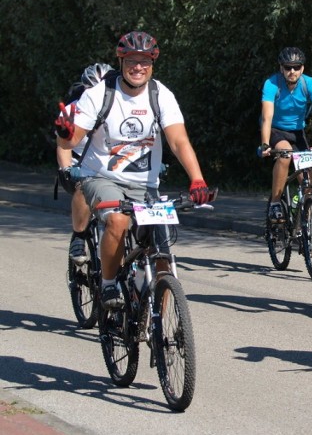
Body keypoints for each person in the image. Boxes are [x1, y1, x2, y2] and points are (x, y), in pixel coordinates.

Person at [55, 30, 213, 309]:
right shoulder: (99, 94)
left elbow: (178, 140)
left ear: (152, 64)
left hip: (145, 185)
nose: (137, 67)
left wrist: (197, 180)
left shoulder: (160, 94)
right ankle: (107, 284)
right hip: (101, 177)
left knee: (161, 256)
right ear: (121, 62)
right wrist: (66, 133)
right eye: (131, 61)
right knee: (117, 220)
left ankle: (158, 332)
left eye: (144, 61)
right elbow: (72, 140)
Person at [56, 63, 115, 264]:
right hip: (80, 165)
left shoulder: (121, 107)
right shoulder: (73, 111)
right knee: (84, 184)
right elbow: (63, 146)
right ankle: (79, 237)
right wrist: (67, 169)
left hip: (114, 168)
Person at [260, 47, 312, 222]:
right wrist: (265, 143)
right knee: (285, 155)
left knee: (308, 173)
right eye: (288, 67)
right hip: (276, 130)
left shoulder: (310, 84)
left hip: (297, 131)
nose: (292, 71)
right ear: (281, 68)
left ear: (302, 68)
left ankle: (302, 207)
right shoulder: (272, 84)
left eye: (296, 67)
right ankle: (275, 203)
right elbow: (267, 116)